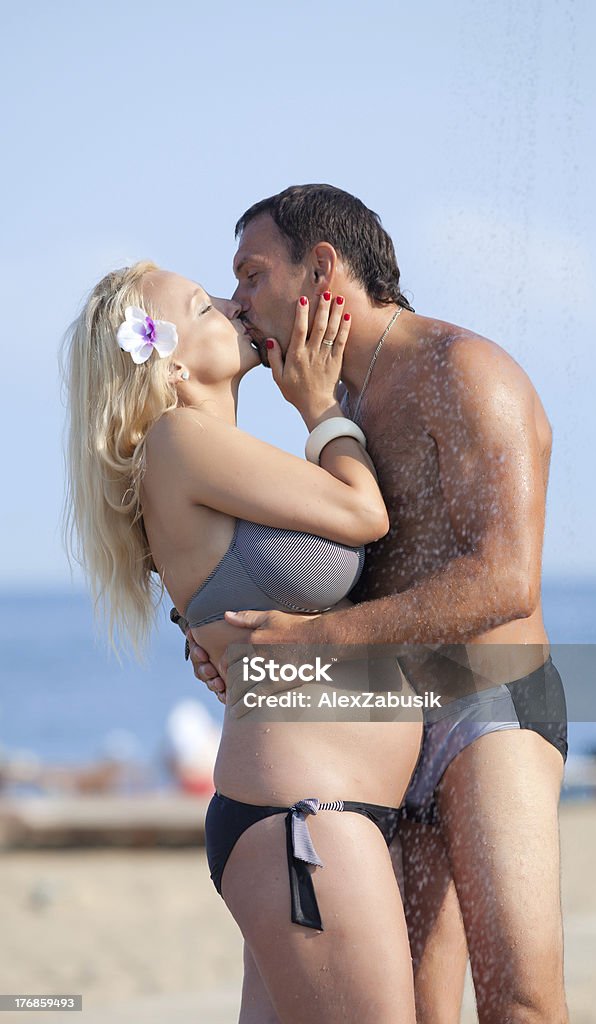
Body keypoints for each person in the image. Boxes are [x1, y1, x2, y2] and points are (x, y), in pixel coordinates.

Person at [187, 184, 570, 1024]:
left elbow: (506, 580)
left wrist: (314, 639)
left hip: (487, 702)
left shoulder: (464, 369)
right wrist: (228, 632)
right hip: (382, 728)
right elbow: (327, 576)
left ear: (320, 268)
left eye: (252, 275)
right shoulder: (337, 413)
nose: (238, 301)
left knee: (523, 1003)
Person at [61, 261, 423, 1024]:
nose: (234, 305)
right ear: (173, 360)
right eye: (205, 305)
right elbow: (364, 515)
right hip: (305, 815)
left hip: (312, 813)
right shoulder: (178, 439)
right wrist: (321, 402)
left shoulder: (200, 460)